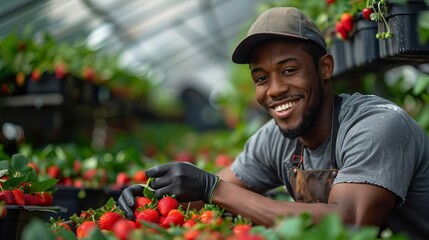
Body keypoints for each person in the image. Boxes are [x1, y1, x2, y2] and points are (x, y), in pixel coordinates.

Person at [119, 7, 429, 239]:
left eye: (289, 70)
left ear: (324, 68)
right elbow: (210, 196)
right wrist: (156, 196)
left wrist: (212, 187)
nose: (275, 89)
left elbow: (348, 222)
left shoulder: (376, 125)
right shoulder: (275, 139)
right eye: (261, 78)